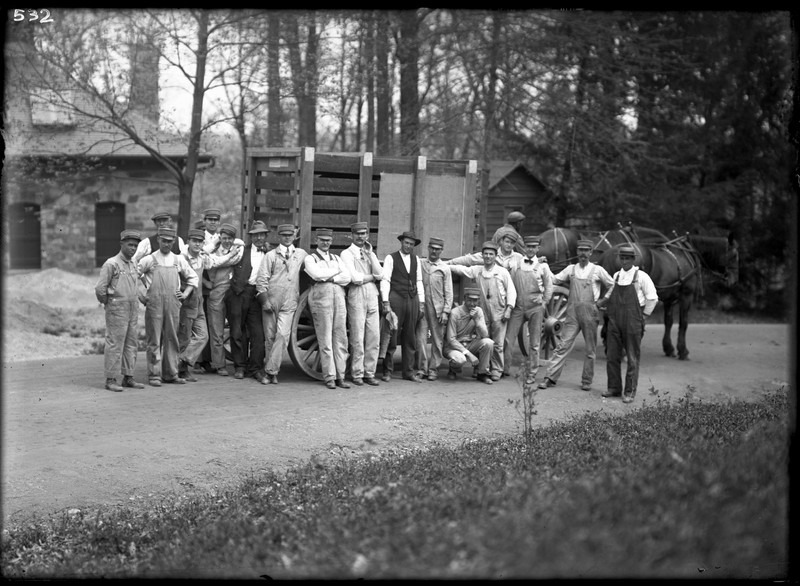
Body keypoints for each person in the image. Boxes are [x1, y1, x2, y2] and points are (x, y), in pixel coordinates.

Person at [540, 239, 615, 392]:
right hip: (572, 313)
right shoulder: (570, 269)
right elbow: (554, 279)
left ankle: (586, 380)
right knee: (563, 345)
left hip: (590, 312)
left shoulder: (597, 270)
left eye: (586, 250)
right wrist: (544, 266)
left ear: (591, 252)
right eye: (580, 250)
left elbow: (612, 285)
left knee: (590, 349)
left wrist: (602, 302)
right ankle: (550, 377)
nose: (583, 253)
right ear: (577, 252)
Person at [176, 228, 241, 382]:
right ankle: (180, 370)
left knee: (203, 336)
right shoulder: (181, 258)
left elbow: (216, 261)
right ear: (188, 242)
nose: (197, 244)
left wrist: (230, 254)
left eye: (200, 241)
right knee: (184, 337)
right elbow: (174, 277)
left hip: (198, 302)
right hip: (186, 302)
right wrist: (181, 292)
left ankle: (181, 361)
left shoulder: (202, 258)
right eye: (194, 241)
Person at [137, 226, 199, 387]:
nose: (166, 244)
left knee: (172, 338)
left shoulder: (178, 259)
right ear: (158, 240)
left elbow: (193, 277)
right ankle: (154, 374)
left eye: (169, 242)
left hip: (173, 304)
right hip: (154, 304)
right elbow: (132, 275)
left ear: (173, 242)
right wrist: (141, 296)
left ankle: (171, 373)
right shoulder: (149, 259)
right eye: (163, 241)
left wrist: (185, 294)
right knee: (154, 339)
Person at [448, 241, 516, 381]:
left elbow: (511, 291)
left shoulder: (502, 272)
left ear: (495, 256)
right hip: (483, 312)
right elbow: (462, 269)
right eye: (485, 254)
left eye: (491, 254)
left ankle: (497, 369)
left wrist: (509, 308)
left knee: (497, 343)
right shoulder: (478, 270)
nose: (488, 257)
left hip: (499, 312)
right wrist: (446, 265)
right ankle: (480, 368)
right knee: (482, 339)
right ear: (482, 256)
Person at [600, 244, 658, 403]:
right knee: (612, 355)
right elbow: (610, 293)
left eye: (627, 258)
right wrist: (600, 303)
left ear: (633, 259)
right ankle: (614, 387)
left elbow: (652, 298)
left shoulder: (642, 276)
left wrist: (644, 316)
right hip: (615, 320)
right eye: (622, 258)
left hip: (633, 320)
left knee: (632, 357)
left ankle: (630, 391)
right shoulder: (617, 275)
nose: (624, 261)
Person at [94, 229, 146, 392]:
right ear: (121, 244)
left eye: (135, 246)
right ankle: (110, 379)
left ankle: (128, 377)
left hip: (132, 308)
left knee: (131, 343)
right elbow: (100, 288)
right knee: (115, 344)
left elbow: (135, 285)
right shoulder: (112, 263)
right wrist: (108, 302)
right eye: (130, 245)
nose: (133, 248)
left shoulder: (133, 263)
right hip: (117, 308)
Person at [256, 224, 308, 384]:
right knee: (270, 337)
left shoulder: (301, 254)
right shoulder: (271, 255)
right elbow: (261, 279)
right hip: (271, 300)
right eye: (284, 235)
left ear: (294, 237)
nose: (287, 238)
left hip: (290, 301)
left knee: (283, 335)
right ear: (279, 237)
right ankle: (272, 373)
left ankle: (270, 371)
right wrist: (264, 301)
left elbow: (311, 269)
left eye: (290, 235)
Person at [303, 228, 352, 389]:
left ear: (332, 241)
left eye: (328, 240)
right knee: (325, 339)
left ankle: (341, 376)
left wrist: (329, 275)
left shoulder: (336, 258)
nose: (325, 243)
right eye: (322, 240)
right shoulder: (310, 259)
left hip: (339, 297)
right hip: (321, 298)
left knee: (341, 337)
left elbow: (347, 277)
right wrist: (336, 273)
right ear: (316, 240)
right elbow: (317, 275)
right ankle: (330, 376)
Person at [504, 235, 554, 384]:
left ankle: (532, 373)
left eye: (534, 247)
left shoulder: (543, 266)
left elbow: (549, 287)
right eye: (528, 246)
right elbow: (511, 285)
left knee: (534, 342)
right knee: (508, 339)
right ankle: (504, 369)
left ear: (538, 248)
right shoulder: (516, 264)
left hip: (535, 308)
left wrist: (544, 301)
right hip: (518, 307)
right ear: (524, 248)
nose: (531, 249)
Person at [339, 221, 383, 386]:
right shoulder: (347, 254)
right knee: (357, 336)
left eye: (363, 233)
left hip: (372, 294)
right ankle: (357, 373)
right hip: (356, 295)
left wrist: (371, 254)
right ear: (352, 235)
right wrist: (371, 277)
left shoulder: (370, 252)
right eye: (357, 234)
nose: (360, 237)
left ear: (367, 235)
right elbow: (355, 278)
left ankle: (369, 373)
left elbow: (380, 274)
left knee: (374, 336)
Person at [226, 220, 270, 383]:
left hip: (258, 295)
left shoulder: (269, 253)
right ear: (251, 237)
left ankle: (256, 368)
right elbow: (223, 259)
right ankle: (240, 366)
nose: (259, 238)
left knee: (258, 334)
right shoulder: (240, 251)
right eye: (256, 235)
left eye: (262, 235)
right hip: (239, 293)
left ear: (266, 236)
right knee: (237, 331)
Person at [380, 230, 425, 383]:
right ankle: (387, 371)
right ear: (401, 242)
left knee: (410, 336)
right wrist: (386, 301)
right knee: (392, 335)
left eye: (411, 244)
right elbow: (385, 280)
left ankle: (409, 372)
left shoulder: (416, 259)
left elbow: (418, 280)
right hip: (396, 299)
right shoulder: (390, 258)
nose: (408, 246)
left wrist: (422, 302)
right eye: (406, 243)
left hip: (412, 299)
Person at [201, 222, 244, 376]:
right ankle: (219, 364)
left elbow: (233, 260)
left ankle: (240, 363)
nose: (227, 241)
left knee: (236, 329)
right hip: (216, 293)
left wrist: (221, 259)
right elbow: (207, 263)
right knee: (216, 330)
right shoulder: (213, 251)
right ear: (220, 238)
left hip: (232, 294)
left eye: (230, 238)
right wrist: (218, 249)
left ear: (234, 238)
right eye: (224, 238)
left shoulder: (238, 249)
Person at [415, 237, 453, 381]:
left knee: (437, 340)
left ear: (441, 251)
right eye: (432, 248)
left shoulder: (444, 268)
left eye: (437, 249)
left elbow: (449, 292)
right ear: (428, 248)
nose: (434, 251)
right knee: (420, 338)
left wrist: (446, 311)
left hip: (438, 308)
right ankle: (422, 369)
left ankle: (433, 369)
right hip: (422, 306)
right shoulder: (420, 263)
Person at [443, 287, 495, 384]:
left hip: (469, 343)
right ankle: (453, 369)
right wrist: (469, 354)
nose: (472, 303)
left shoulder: (478, 311)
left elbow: (485, 334)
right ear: (464, 299)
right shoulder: (455, 312)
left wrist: (476, 320)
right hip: (453, 347)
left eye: (475, 301)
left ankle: (482, 373)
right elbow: (451, 339)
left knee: (489, 343)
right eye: (469, 300)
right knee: (460, 359)